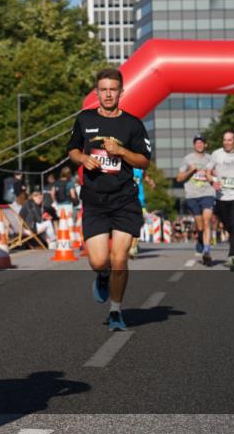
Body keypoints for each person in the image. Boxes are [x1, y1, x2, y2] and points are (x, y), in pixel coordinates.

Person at [67, 68, 151, 332]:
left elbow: (144, 161)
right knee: (99, 261)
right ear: (97, 92)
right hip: (94, 200)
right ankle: (102, 277)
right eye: (103, 89)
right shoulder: (85, 119)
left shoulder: (133, 124)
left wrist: (123, 151)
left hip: (124, 199)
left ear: (121, 92)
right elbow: (72, 150)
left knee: (119, 259)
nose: (107, 94)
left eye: (112, 90)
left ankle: (116, 310)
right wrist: (82, 159)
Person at [211, 130, 234, 271]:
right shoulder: (216, 154)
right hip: (221, 196)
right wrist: (212, 181)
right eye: (224, 140)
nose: (226, 142)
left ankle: (233, 255)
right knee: (227, 225)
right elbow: (208, 171)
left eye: (229, 140)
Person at [176, 134, 217, 266]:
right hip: (192, 195)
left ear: (205, 145)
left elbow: (218, 174)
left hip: (208, 193)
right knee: (200, 225)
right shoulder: (187, 159)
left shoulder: (211, 159)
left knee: (207, 221)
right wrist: (191, 171)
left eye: (201, 143)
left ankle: (207, 251)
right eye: (197, 143)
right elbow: (179, 178)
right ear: (194, 145)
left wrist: (213, 175)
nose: (199, 145)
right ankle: (200, 238)